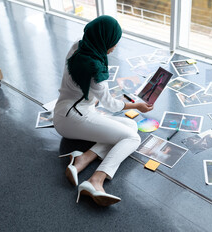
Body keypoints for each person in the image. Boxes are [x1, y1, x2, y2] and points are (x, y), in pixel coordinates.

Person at [53, 15, 154, 206]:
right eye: (113, 42)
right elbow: (111, 105)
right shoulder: (95, 68)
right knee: (133, 138)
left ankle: (83, 158)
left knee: (131, 124)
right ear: (104, 39)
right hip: (74, 118)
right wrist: (137, 106)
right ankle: (96, 180)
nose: (114, 47)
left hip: (65, 110)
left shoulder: (79, 46)